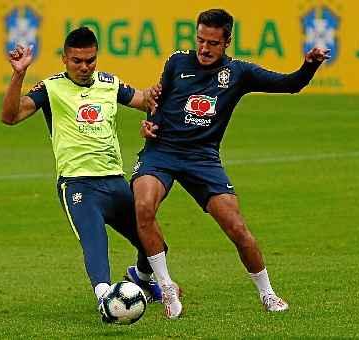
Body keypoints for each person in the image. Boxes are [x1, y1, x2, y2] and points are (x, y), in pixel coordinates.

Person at [133, 9, 330, 319]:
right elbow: (158, 100)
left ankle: (267, 293)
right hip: (162, 152)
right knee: (143, 207)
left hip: (203, 157)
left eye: (212, 42)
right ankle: (166, 286)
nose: (204, 48)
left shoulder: (238, 73)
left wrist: (310, 64)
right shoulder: (176, 62)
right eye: (200, 40)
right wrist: (150, 124)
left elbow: (290, 84)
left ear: (227, 42)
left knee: (236, 227)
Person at [0, 27, 166, 318]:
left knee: (156, 246)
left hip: (115, 182)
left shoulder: (109, 83)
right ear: (64, 59)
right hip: (78, 186)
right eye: (77, 61)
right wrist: (18, 75)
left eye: (90, 60)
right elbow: (10, 116)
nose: (85, 67)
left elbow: (146, 102)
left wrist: (152, 119)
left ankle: (140, 278)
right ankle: (107, 301)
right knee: (95, 246)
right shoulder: (50, 88)